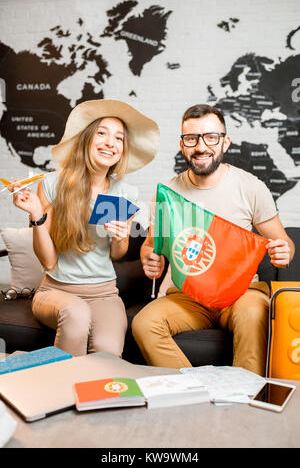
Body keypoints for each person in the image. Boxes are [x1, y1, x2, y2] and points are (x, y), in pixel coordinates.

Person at [132, 103, 294, 376]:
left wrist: (283, 252)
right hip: (187, 297)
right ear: (182, 145)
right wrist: (149, 257)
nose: (201, 146)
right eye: (191, 138)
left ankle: (243, 398)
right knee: (143, 323)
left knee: (256, 314)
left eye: (211, 137)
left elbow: (285, 243)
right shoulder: (169, 193)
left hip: (240, 294)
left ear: (225, 142)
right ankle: (194, 390)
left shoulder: (250, 186)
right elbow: (150, 245)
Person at [11, 99, 159, 357]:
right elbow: (48, 261)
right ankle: (61, 393)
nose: (111, 143)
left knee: (107, 351)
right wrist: (36, 215)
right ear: (87, 140)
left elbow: (116, 254)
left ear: (122, 150)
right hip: (56, 291)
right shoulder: (53, 185)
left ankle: (90, 395)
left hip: (104, 294)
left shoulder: (122, 193)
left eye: (119, 138)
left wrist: (120, 237)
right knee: (76, 314)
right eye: (102, 133)